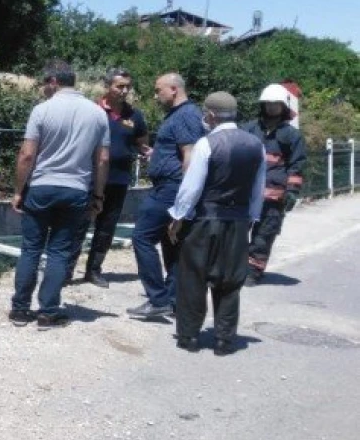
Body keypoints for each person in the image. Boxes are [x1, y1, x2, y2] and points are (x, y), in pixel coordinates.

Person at [9, 61, 110, 329]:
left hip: (42, 187)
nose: (43, 88)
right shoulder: (98, 114)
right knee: (59, 252)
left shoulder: (42, 110)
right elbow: (102, 160)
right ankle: (48, 312)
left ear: (53, 81)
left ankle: (20, 310)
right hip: (76, 189)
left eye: (44, 83)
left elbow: (27, 154)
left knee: (31, 249)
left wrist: (19, 191)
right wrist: (98, 196)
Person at [167, 92, 266, 355]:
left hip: (205, 220)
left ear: (210, 115)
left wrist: (178, 216)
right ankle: (224, 339)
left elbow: (192, 186)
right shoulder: (256, 145)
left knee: (193, 277)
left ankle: (188, 336)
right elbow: (258, 189)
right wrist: (251, 219)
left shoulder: (206, 144)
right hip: (238, 220)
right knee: (230, 280)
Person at [127, 73, 204, 319]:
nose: (155, 94)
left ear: (173, 89)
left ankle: (158, 299)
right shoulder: (181, 115)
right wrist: (157, 155)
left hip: (171, 189)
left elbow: (189, 156)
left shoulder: (185, 115)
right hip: (170, 187)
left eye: (158, 89)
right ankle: (173, 299)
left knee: (142, 237)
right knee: (171, 244)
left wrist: (183, 200)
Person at [69, 68, 151, 288]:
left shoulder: (135, 116)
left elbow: (142, 143)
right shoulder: (92, 111)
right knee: (78, 225)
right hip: (89, 178)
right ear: (108, 86)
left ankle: (93, 270)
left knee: (106, 227)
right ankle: (66, 271)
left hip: (119, 179)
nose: (124, 91)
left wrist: (148, 153)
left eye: (127, 86)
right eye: (119, 86)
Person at [241, 83, 307, 286]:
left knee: (264, 235)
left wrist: (292, 191)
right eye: (267, 103)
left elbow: (297, 165)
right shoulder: (249, 129)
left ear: (283, 106)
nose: (271, 107)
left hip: (273, 196)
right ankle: (235, 267)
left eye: (275, 104)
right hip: (245, 193)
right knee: (236, 232)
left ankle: (253, 272)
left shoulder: (292, 135)